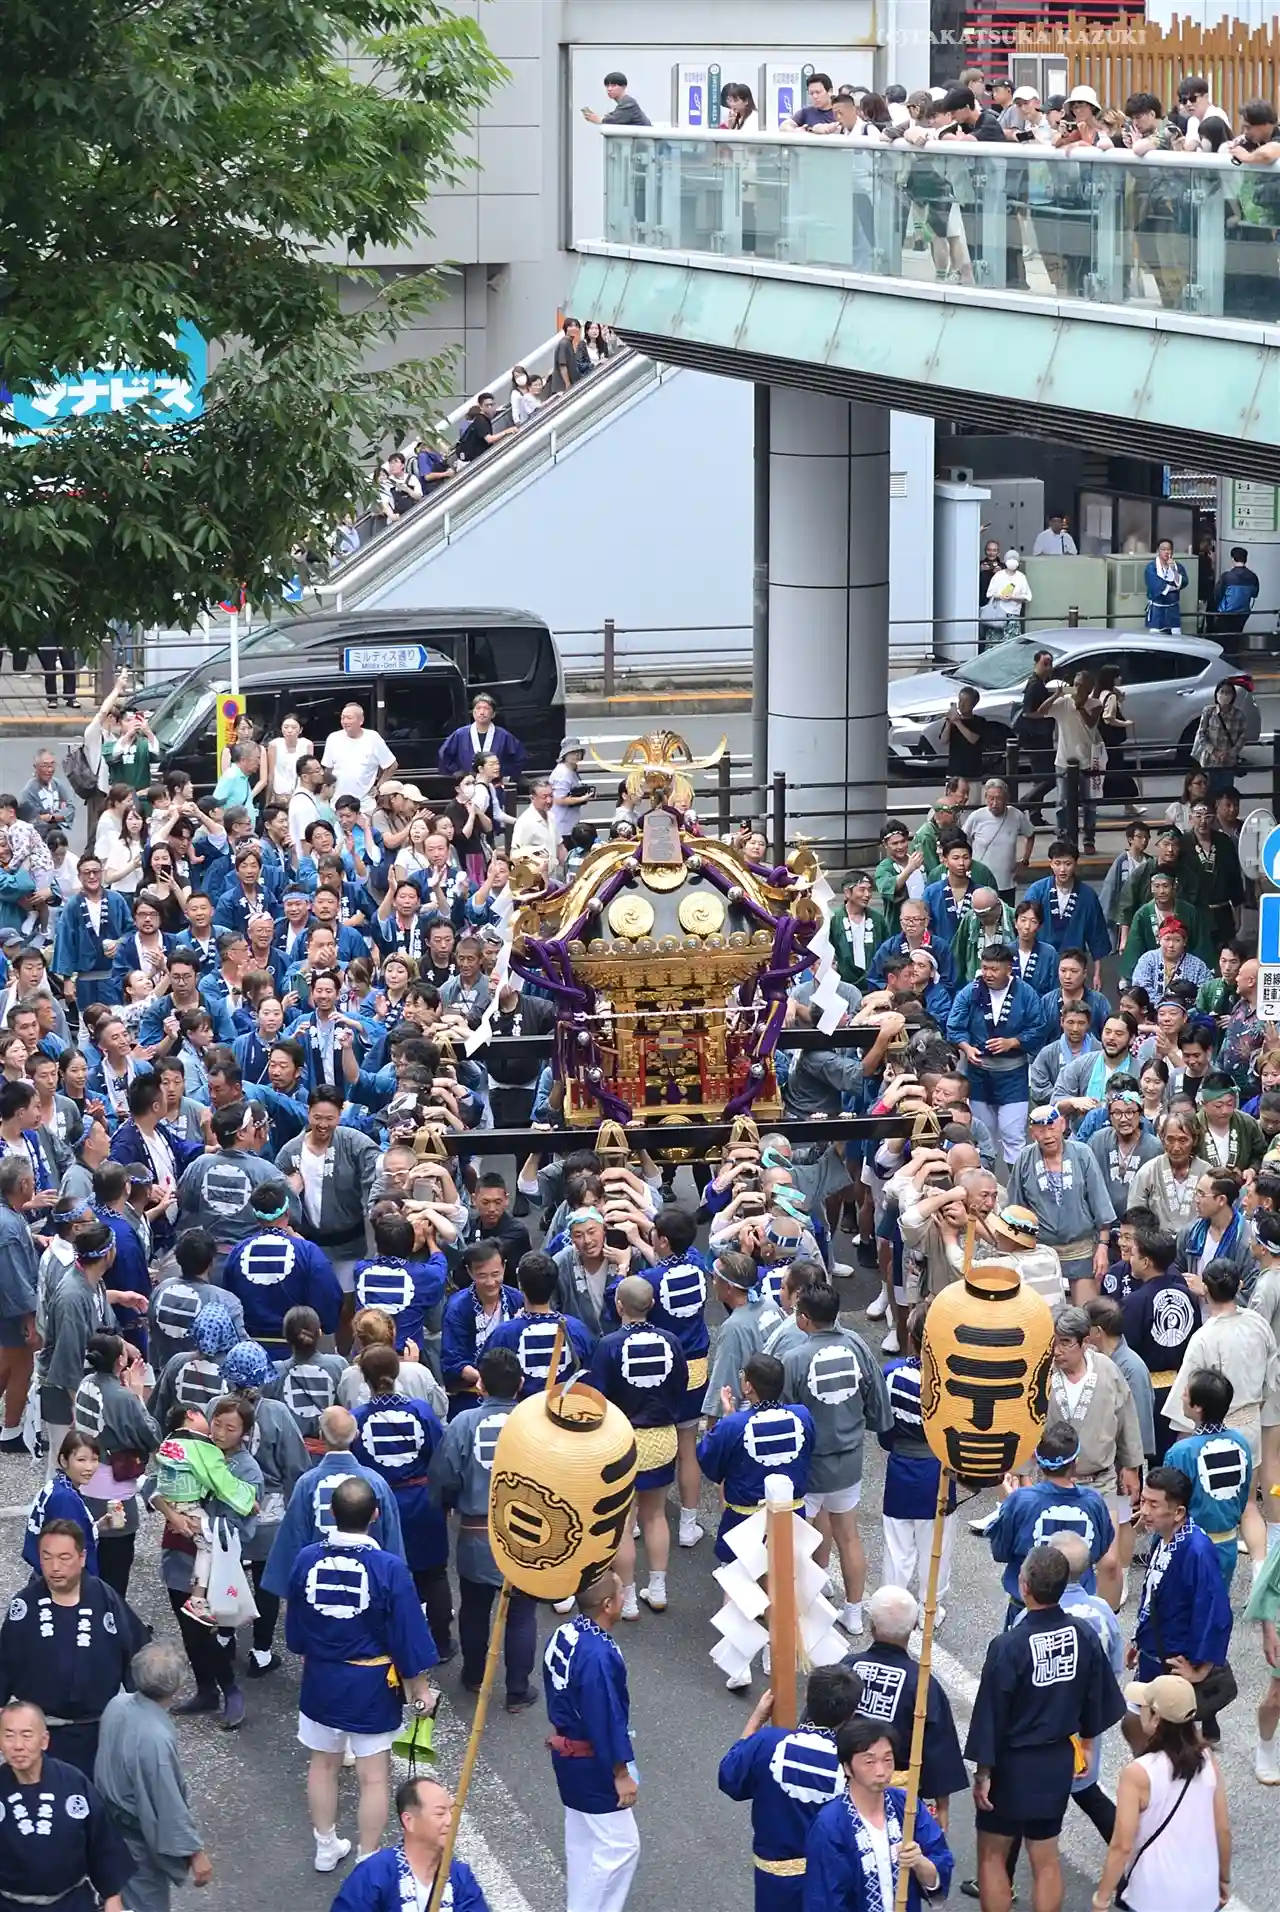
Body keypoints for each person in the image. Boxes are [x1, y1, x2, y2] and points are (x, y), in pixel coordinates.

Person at [286, 1474, 439, 1872]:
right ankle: (367, 1857)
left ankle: (325, 1846)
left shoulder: (305, 1559)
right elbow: (407, 1633)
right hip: (371, 1684)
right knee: (373, 1776)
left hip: (321, 1678)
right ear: (375, 1514)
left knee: (323, 1764)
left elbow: (295, 1630)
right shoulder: (389, 1567)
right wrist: (420, 1688)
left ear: (331, 1513)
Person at [966, 1544, 1125, 1912]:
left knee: (992, 1855)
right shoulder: (1082, 1633)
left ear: (1025, 1586)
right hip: (1056, 1760)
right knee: (1046, 1857)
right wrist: (1087, 1744)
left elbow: (991, 1712)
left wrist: (983, 1772)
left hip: (1011, 1764)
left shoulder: (1008, 1645)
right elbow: (1098, 1696)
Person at [426, 1345, 537, 1711]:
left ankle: (475, 1674)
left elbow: (445, 1475)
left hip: (476, 1530)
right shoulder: (535, 1424)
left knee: (475, 1606)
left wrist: (446, 1503)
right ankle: (517, 1689)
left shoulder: (463, 1423)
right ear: (520, 1383)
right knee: (521, 1612)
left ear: (480, 1386)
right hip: (526, 1532)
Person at [780, 1284, 890, 1638]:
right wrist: (873, 1423)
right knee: (848, 1536)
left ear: (805, 1318)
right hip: (849, 1459)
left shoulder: (794, 1359)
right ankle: (854, 1612)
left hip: (809, 1463)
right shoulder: (856, 1344)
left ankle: (806, 1610)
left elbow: (785, 1415)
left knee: (799, 1539)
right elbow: (876, 1393)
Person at [0, 1517, 148, 1776]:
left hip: (99, 1732)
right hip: (42, 1736)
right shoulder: (24, 1606)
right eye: (47, 1558)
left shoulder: (105, 1599)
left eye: (64, 1558)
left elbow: (138, 1655)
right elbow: (4, 1665)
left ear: (82, 1557)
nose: (55, 1567)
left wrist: (145, 1712)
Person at [717, 1667, 862, 1910]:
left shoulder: (767, 1742)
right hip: (832, 1878)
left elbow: (729, 1778)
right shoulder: (854, 1764)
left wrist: (756, 1719)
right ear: (852, 1714)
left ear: (807, 1695)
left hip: (774, 1879)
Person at [543, 1571, 639, 1912]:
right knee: (621, 1846)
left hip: (567, 1750)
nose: (625, 1597)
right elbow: (605, 1716)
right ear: (608, 1605)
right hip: (590, 1760)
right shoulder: (597, 1654)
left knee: (583, 1842)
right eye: (621, 1593)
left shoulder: (566, 1632)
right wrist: (620, 1772)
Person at [1092, 1674, 1229, 1912]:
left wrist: (1101, 1898)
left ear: (1156, 1719)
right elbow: (1223, 1829)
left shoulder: (1138, 1773)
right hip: (1203, 1894)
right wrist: (1224, 1879)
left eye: (1144, 1708)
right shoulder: (1208, 1759)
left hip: (1153, 1897)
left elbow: (1122, 1845)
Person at [93, 1642, 211, 1912]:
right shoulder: (155, 1739)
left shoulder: (117, 1704)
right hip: (133, 1841)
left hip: (107, 1827)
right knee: (144, 1904)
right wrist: (195, 1853)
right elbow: (168, 1803)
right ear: (176, 1686)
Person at [802, 1714, 954, 1911]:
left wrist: (919, 1862)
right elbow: (825, 1899)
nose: (881, 1771)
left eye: (887, 1760)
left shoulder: (907, 1806)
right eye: (869, 1762)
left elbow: (939, 1861)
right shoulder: (829, 1825)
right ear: (847, 1767)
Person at [845, 1587, 969, 1827]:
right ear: (913, 1628)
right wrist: (942, 1805)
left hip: (846, 1786)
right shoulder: (922, 1683)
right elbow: (938, 1748)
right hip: (898, 1798)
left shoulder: (848, 1667)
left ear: (871, 1625)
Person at [1127, 1467, 1234, 1743]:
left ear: (1178, 1512)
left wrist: (1200, 1669)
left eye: (1154, 1504)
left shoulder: (1197, 1550)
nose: (1144, 1511)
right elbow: (1153, 1595)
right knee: (1142, 1728)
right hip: (1154, 1652)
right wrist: (1140, 1640)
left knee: (1162, 1740)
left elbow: (1215, 1613)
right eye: (1143, 1501)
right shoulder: (1164, 1538)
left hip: (1173, 1665)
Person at [0, 1699, 132, 1912]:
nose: (17, 1745)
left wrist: (112, 1896)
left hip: (70, 1903)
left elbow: (102, 1840)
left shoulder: (73, 1782)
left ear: (44, 1740)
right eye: (8, 1736)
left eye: (26, 1735)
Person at [330, 1775, 491, 1912]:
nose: (451, 1821)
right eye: (440, 1813)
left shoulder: (460, 1876)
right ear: (409, 1821)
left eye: (452, 1811)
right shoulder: (373, 1873)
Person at [1163, 1368, 1253, 1589]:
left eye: (1185, 1393)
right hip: (1227, 1542)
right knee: (1218, 1602)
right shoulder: (1240, 1443)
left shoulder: (1180, 1452)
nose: (1181, 1397)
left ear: (1198, 1407)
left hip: (1189, 1545)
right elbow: (1243, 1495)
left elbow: (1169, 1505)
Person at [321, 703, 396, 811]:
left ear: (361, 720)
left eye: (349, 718)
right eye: (342, 718)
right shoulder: (333, 738)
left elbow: (392, 765)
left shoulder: (373, 738)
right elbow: (328, 770)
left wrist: (378, 787)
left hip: (365, 806)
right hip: (337, 805)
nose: (345, 721)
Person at [1191, 681, 1248, 796]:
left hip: (1228, 763)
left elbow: (1243, 737)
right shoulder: (1208, 712)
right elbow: (1201, 735)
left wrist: (1230, 754)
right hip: (1209, 762)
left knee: (1225, 794)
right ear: (1216, 694)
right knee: (1208, 793)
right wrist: (1214, 752)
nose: (1225, 695)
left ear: (1233, 696)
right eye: (1222, 692)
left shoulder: (1239, 715)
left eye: (1228, 692)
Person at [1211, 545, 1260, 636]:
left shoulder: (1226, 576)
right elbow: (1255, 594)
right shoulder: (1253, 577)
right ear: (1246, 559)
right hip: (1243, 613)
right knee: (1237, 635)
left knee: (1223, 637)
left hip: (1226, 613)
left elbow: (1217, 595)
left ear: (1233, 559)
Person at [1144, 537, 1189, 634]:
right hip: (1157, 610)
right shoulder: (1151, 567)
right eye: (1163, 549)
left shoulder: (1178, 566)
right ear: (1158, 551)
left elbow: (1184, 582)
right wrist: (1171, 587)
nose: (1166, 552)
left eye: (1168, 549)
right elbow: (1155, 585)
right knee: (1155, 637)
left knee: (1176, 635)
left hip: (1173, 609)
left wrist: (1174, 570)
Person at [581, 72, 650, 126]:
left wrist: (599, 120)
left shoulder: (628, 103)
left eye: (613, 86)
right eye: (607, 86)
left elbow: (614, 120)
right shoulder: (623, 104)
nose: (609, 89)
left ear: (623, 87)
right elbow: (614, 116)